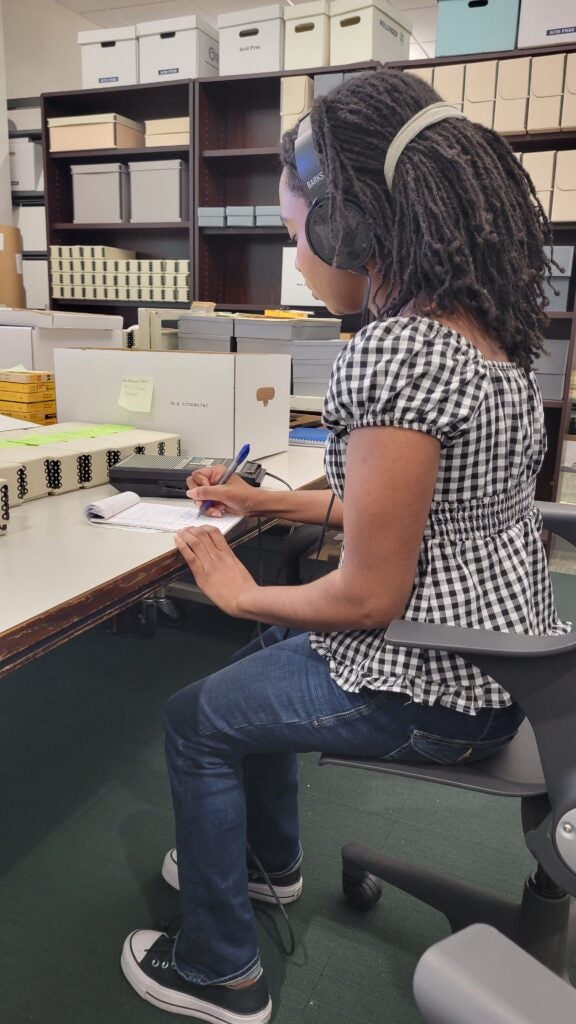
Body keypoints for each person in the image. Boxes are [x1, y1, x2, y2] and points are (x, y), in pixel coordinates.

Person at [120, 67, 569, 1022]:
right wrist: (265, 502)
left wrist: (240, 589)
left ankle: (219, 972)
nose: (297, 258)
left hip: (432, 686)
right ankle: (268, 862)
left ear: (349, 227)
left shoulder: (394, 351)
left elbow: (366, 598)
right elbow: (419, 514)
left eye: (297, 234)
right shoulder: (488, 336)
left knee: (195, 717)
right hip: (502, 667)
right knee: (265, 655)